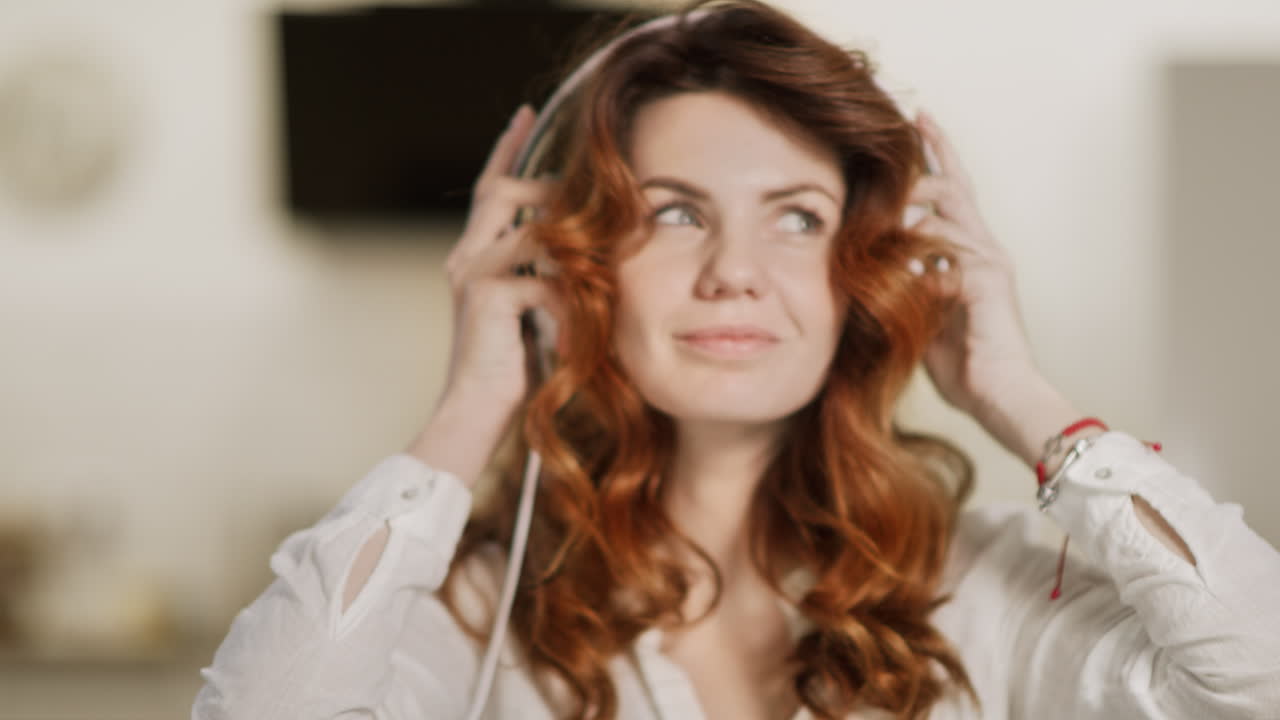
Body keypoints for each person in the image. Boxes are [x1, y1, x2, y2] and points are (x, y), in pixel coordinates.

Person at [192, 1, 1280, 718]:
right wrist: (473, 401)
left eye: (798, 219)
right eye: (673, 213)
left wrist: (1017, 394)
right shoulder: (478, 610)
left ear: (863, 265)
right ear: (579, 265)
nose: (734, 272)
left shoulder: (970, 589)